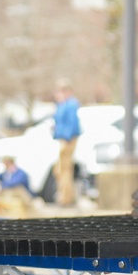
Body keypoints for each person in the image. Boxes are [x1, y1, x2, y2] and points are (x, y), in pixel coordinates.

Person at [52, 78, 81, 206]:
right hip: (62, 138)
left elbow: (71, 124)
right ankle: (65, 195)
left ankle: (66, 198)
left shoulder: (71, 104)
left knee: (64, 169)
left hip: (67, 140)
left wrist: (67, 138)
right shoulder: (63, 104)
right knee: (60, 169)